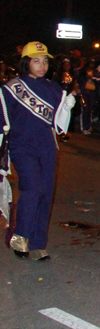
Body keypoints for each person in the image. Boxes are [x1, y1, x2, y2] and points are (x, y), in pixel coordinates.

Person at [0, 42, 75, 260]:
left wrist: (67, 108)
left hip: (47, 146)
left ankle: (38, 243)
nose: (41, 65)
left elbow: (60, 126)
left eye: (44, 61)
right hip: (22, 146)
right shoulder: (10, 89)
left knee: (46, 193)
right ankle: (21, 235)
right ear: (26, 62)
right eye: (36, 61)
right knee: (32, 188)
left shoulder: (54, 88)